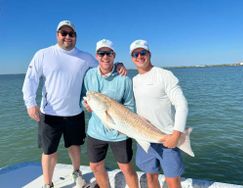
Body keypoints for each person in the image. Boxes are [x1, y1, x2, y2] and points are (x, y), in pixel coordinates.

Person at [22, 20, 127, 188]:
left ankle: (77, 173)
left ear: (75, 37)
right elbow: (31, 79)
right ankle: (47, 184)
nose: (67, 37)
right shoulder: (43, 54)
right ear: (57, 35)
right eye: (64, 33)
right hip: (49, 113)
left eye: (71, 34)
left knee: (74, 146)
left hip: (75, 113)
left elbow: (104, 65)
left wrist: (119, 64)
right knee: (49, 151)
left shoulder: (85, 57)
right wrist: (30, 103)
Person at [129, 39, 188, 188]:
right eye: (135, 54)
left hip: (167, 138)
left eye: (143, 52)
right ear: (132, 58)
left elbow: (182, 105)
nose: (139, 56)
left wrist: (176, 134)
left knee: (173, 181)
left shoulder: (165, 75)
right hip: (144, 138)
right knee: (150, 177)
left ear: (149, 54)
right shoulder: (134, 80)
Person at [83, 39, 139, 188]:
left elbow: (130, 105)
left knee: (126, 168)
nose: (105, 57)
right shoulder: (89, 75)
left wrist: (124, 123)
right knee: (95, 166)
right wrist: (86, 105)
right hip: (95, 131)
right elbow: (84, 96)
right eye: (101, 53)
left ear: (114, 55)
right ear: (96, 56)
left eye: (108, 53)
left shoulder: (124, 78)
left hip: (120, 132)